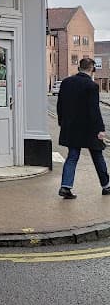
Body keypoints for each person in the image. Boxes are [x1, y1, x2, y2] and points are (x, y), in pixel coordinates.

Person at [57, 57, 110, 199]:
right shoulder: (92, 86)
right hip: (89, 129)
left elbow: (60, 105)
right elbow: (94, 110)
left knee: (72, 156)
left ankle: (65, 186)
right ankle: (106, 186)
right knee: (97, 156)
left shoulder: (66, 82)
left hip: (71, 127)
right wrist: (100, 129)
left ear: (79, 67)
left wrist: (62, 122)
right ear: (92, 68)